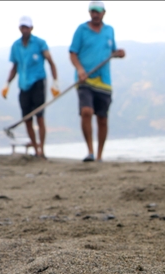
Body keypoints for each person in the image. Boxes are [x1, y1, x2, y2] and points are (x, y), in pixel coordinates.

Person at [69, 1, 126, 162]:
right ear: (89, 12)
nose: (95, 14)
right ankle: (90, 151)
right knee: (86, 112)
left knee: (102, 118)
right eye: (92, 11)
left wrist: (119, 53)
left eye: (98, 11)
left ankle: (100, 155)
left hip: (104, 81)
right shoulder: (81, 30)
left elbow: (112, 51)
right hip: (85, 79)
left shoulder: (109, 31)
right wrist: (80, 69)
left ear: (103, 13)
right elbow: (72, 53)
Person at [3, 16, 59, 159]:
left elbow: (51, 62)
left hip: (38, 82)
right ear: (19, 28)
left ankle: (42, 149)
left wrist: (55, 82)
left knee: (39, 116)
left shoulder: (40, 43)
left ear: (31, 28)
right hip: (23, 84)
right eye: (22, 27)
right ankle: (35, 149)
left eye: (27, 27)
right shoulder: (16, 46)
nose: (24, 30)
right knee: (27, 118)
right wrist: (7, 84)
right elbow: (14, 67)